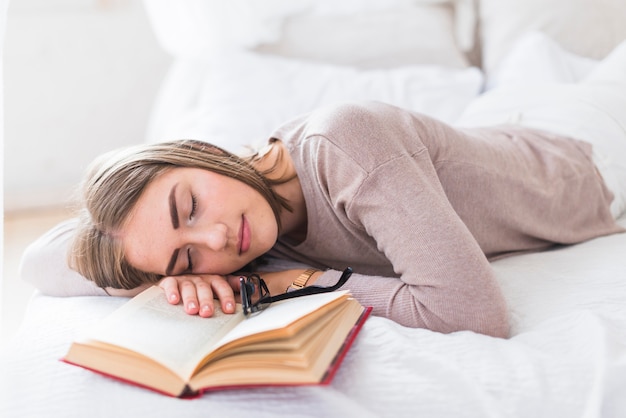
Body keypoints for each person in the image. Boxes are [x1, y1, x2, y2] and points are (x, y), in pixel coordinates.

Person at [21, 41, 626, 339]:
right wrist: (166, 274)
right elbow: (40, 264)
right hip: (497, 133)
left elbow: (473, 316)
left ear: (202, 149)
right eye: (187, 255)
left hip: (590, 157)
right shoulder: (241, 239)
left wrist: (294, 284)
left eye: (191, 206)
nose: (216, 239)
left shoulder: (345, 142)